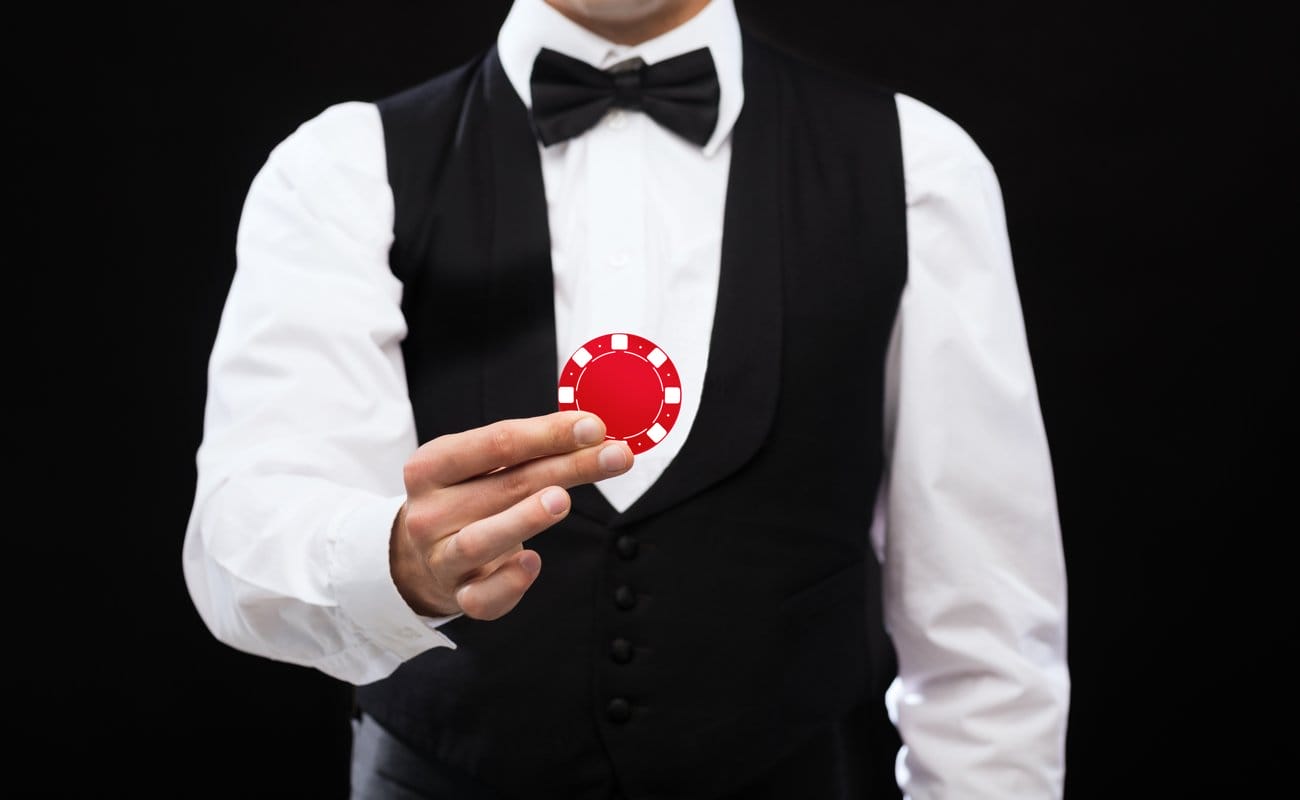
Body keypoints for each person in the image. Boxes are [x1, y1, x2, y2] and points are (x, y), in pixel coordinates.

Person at [182, 0, 1070, 797]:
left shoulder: (920, 168)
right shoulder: (340, 170)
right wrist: (395, 565)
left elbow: (989, 630)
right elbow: (242, 539)